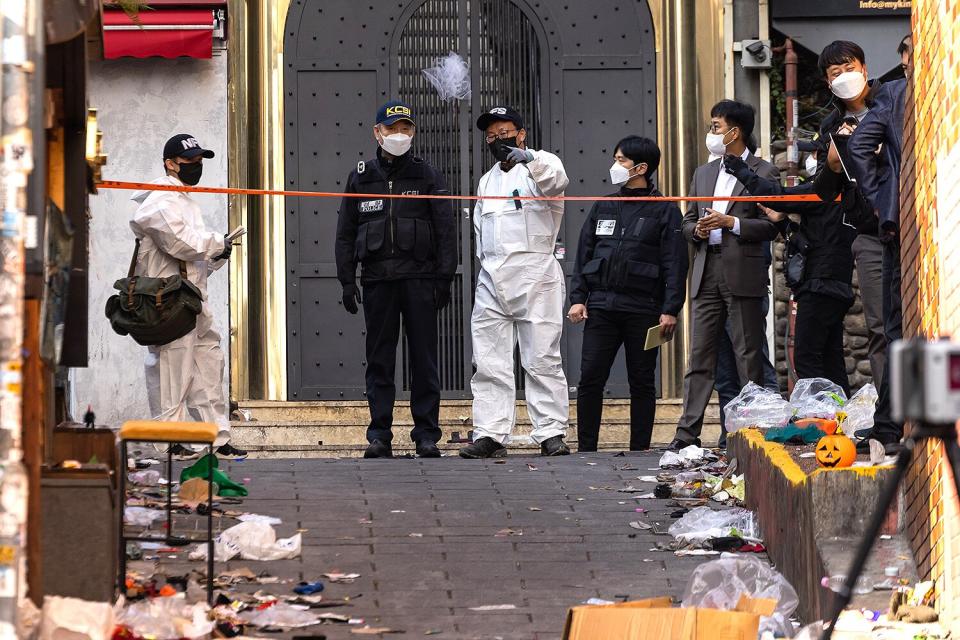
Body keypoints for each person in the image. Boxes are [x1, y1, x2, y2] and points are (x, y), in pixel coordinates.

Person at [334, 100, 457, 459]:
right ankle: (380, 434)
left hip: (420, 280)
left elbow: (445, 230)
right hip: (378, 281)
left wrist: (444, 278)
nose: (399, 135)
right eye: (392, 129)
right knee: (380, 359)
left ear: (414, 133)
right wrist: (346, 280)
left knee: (424, 360)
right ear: (378, 133)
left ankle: (426, 435)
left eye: (406, 129)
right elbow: (345, 232)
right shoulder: (361, 177)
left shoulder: (428, 175)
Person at [666, 100, 780, 451]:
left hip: (743, 270)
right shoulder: (703, 173)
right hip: (705, 269)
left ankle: (751, 432)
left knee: (748, 353)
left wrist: (731, 222)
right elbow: (686, 221)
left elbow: (772, 226)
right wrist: (697, 230)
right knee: (699, 356)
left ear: (736, 131)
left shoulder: (764, 171)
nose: (711, 133)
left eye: (716, 126)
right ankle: (686, 435)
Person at [459, 106, 571, 459]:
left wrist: (530, 159)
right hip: (492, 278)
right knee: (489, 361)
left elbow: (556, 181)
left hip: (536, 275)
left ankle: (551, 432)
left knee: (542, 359)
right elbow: (480, 230)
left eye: (504, 132)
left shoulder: (541, 165)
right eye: (491, 136)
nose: (497, 140)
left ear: (521, 133)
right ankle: (490, 433)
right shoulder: (486, 180)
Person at [568, 136, 688, 451]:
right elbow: (583, 254)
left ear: (641, 167)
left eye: (621, 160)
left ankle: (640, 449)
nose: (615, 165)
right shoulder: (605, 205)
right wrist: (578, 298)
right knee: (590, 377)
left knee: (642, 380)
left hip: (645, 308)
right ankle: (586, 447)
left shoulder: (665, 211)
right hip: (603, 307)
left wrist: (670, 308)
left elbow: (675, 263)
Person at [131, 134, 244, 460]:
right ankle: (172, 440)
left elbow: (192, 259)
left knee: (208, 366)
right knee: (171, 371)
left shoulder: (183, 200)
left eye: (199, 161)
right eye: (189, 161)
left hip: (192, 298)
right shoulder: (160, 201)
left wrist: (218, 255)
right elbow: (178, 241)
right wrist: (214, 243)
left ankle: (216, 437)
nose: (196, 167)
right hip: (168, 301)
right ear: (170, 163)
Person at [724, 149, 857, 397]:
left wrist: (741, 170)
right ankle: (842, 418)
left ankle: (822, 419)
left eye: (819, 151)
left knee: (807, 359)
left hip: (819, 283)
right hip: (836, 283)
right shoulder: (849, 189)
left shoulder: (825, 188)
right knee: (830, 358)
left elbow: (776, 195)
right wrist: (783, 223)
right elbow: (813, 237)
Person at [846, 36, 910, 451]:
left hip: (901, 222)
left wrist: (880, 194)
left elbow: (858, 145)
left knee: (895, 324)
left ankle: (892, 424)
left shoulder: (893, 93)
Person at [816, 41, 889, 385]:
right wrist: (832, 164)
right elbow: (824, 190)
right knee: (878, 325)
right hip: (869, 232)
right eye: (835, 73)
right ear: (828, 83)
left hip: (907, 222)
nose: (844, 76)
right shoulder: (831, 124)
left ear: (863, 67)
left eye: (849, 68)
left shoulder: (891, 100)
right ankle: (889, 414)